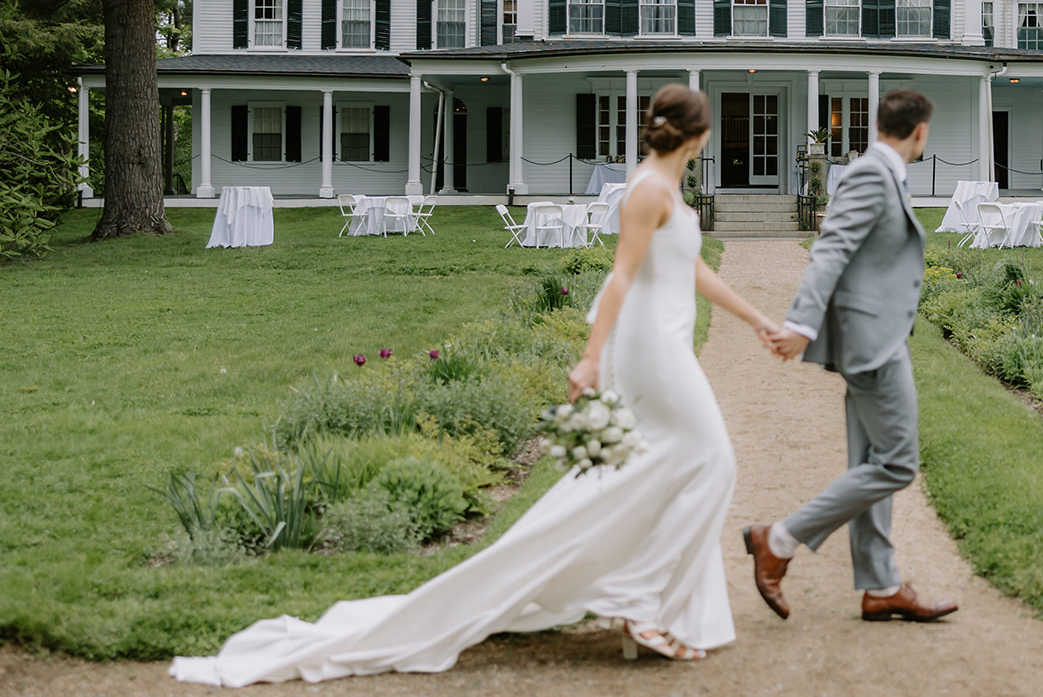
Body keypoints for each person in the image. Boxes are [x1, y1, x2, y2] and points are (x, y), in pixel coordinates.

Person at [171, 84, 778, 687]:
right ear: (698, 136)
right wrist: (591, 359)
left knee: (666, 465)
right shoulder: (647, 189)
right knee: (712, 458)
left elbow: (690, 266)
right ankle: (639, 600)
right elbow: (619, 277)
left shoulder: (665, 185)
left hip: (664, 337)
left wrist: (755, 320)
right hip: (652, 347)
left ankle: (640, 596)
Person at [745, 89, 958, 623]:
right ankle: (780, 539)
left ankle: (881, 585)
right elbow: (832, 248)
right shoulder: (871, 174)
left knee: (871, 463)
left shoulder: (880, 171)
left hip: (873, 336)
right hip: (875, 344)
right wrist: (799, 323)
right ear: (920, 131)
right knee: (898, 463)